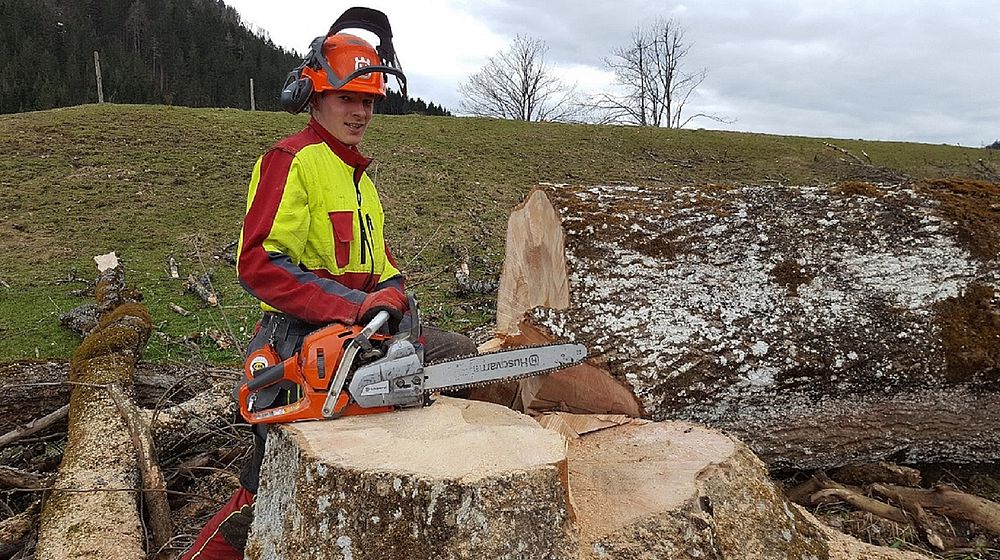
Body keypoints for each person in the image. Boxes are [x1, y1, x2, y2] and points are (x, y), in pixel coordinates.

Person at [181, 19, 476, 560]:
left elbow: (378, 262)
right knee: (264, 488)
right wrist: (353, 306)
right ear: (315, 94)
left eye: (369, 100)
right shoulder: (292, 160)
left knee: (457, 354)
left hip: (359, 332)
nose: (361, 112)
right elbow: (259, 263)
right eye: (347, 98)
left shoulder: (359, 177)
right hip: (300, 339)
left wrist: (391, 294)